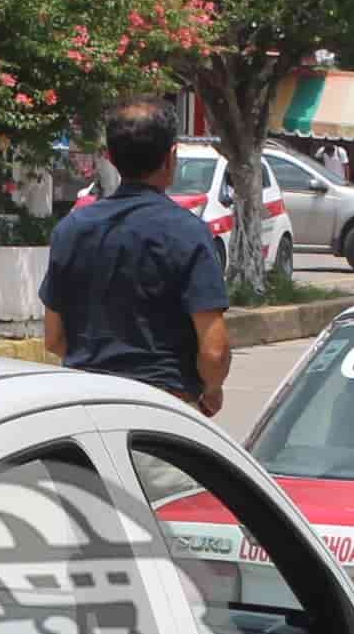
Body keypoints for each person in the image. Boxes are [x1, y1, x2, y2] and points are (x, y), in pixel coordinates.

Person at [44, 98, 231, 417]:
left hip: (83, 414)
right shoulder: (188, 233)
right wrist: (211, 390)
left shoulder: (71, 229)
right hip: (161, 414)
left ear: (111, 158)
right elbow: (214, 351)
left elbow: (54, 338)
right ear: (171, 157)